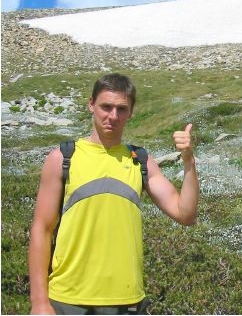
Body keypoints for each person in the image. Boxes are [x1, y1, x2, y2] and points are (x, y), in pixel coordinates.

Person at [28, 73, 199, 315]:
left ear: (131, 112)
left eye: (121, 109)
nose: (113, 116)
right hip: (67, 300)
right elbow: (41, 229)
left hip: (127, 302)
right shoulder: (63, 158)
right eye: (105, 107)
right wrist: (39, 303)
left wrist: (189, 161)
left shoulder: (141, 161)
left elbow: (185, 214)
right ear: (91, 105)